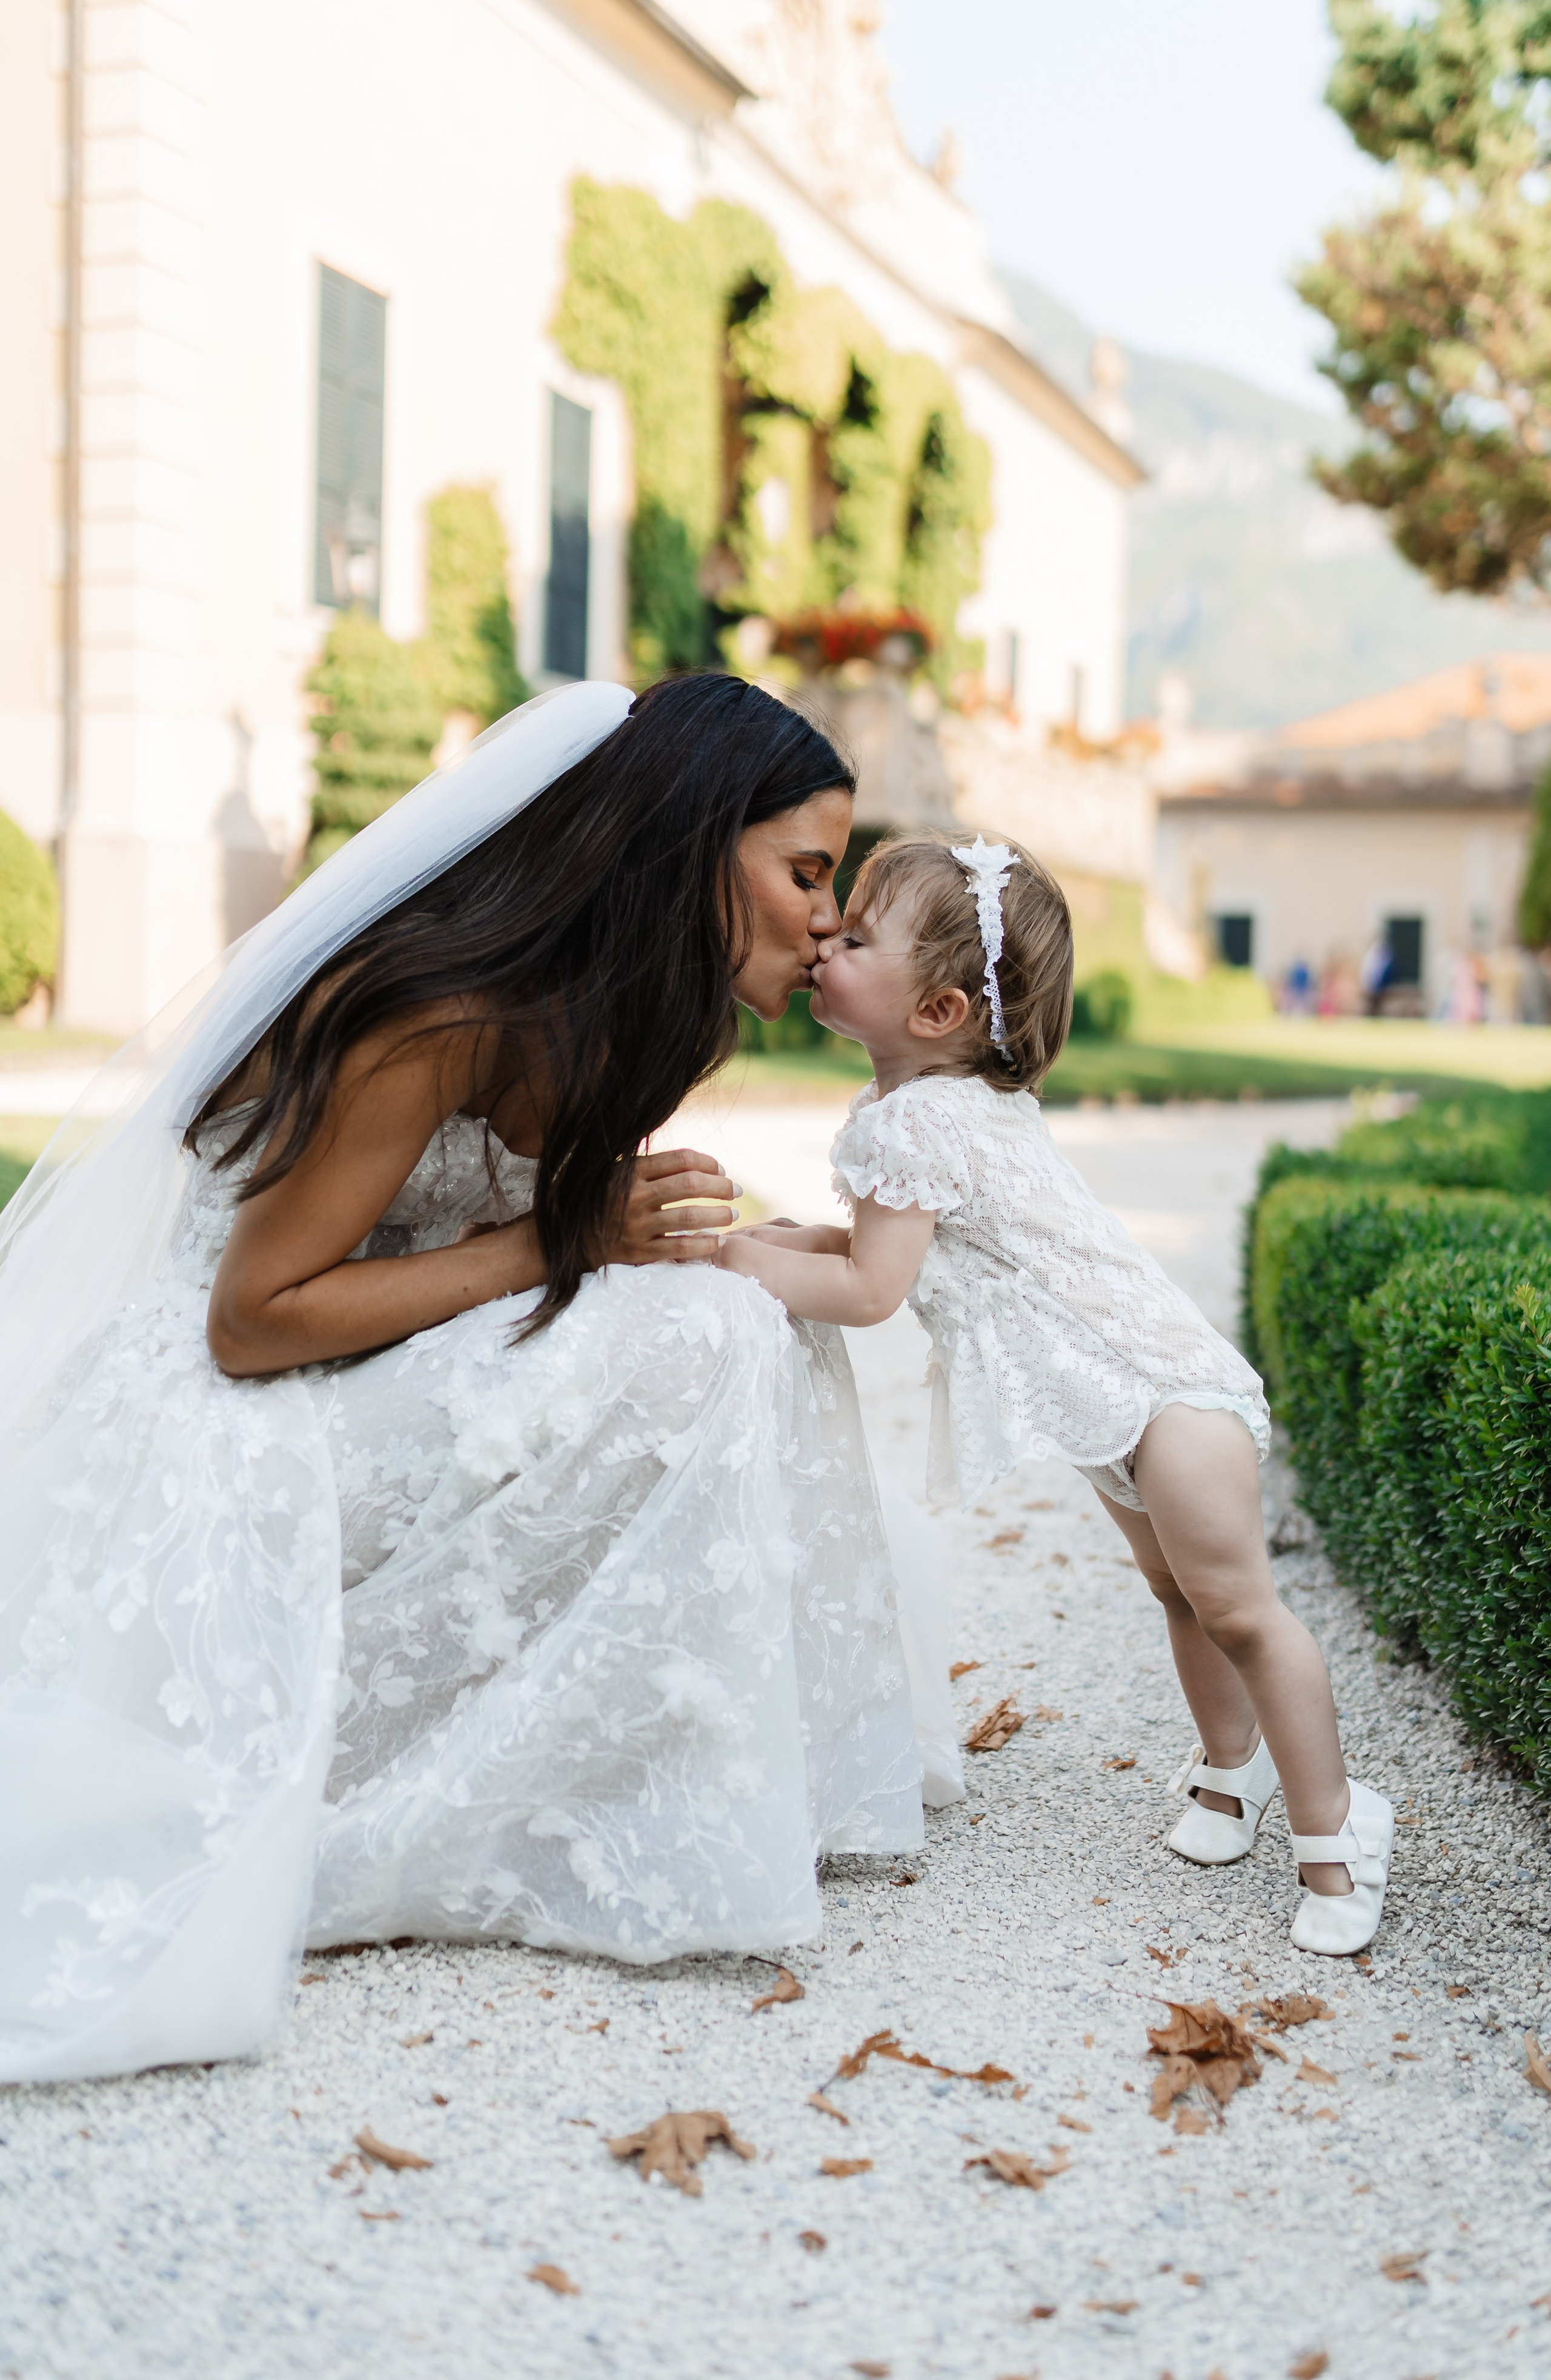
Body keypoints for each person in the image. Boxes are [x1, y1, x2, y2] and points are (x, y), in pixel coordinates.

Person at [0, 676, 924, 2086]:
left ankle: (712, 1770)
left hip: (341, 1379)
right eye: (804, 872)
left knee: (732, 1309)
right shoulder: (441, 1007)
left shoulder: (630, 1014)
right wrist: (561, 1239)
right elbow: (252, 1317)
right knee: (689, 1333)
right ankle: (465, 1791)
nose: (826, 917)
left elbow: (517, 1254)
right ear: (687, 844)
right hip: (228, 1425)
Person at [717, 831, 1395, 1956]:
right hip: (1122, 1402)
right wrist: (785, 1234)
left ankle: (1337, 1822)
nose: (826, 932)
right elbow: (905, 1246)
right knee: (1179, 1594)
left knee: (1236, 1608)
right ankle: (1234, 1771)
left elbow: (871, 1288)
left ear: (936, 1011)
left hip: (1166, 1398)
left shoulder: (919, 1118)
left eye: (857, 932)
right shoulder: (942, 1108)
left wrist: (735, 1258)